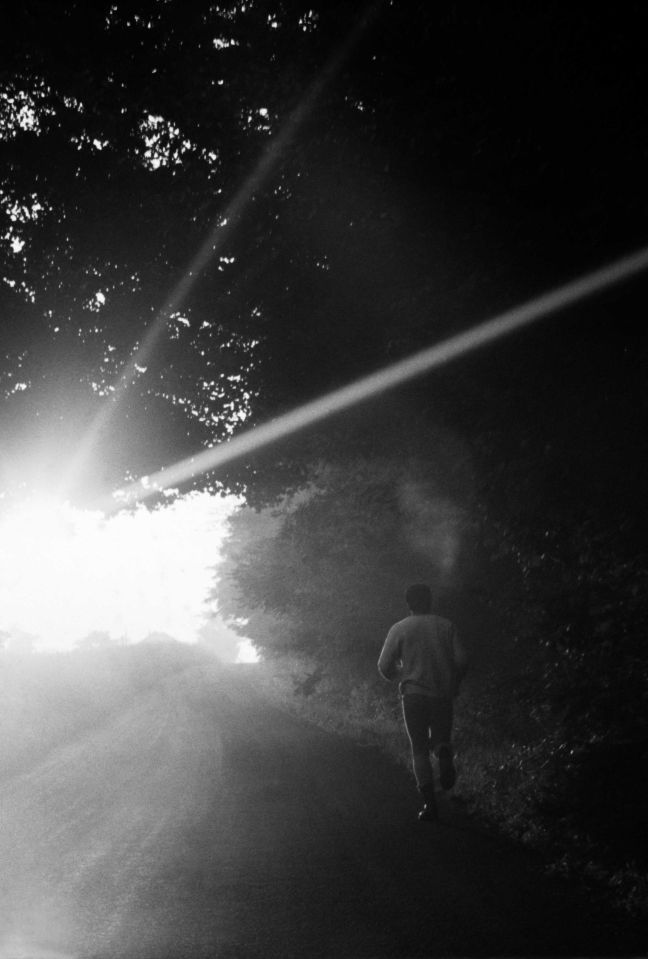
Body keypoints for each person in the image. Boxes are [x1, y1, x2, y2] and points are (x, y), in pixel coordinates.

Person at [378, 583, 468, 822]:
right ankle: (444, 754)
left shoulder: (399, 628)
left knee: (418, 748)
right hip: (442, 694)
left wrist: (400, 675)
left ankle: (430, 805)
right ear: (430, 601)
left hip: (413, 695)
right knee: (441, 738)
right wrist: (455, 682)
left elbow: (384, 665)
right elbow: (462, 660)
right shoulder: (446, 626)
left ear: (408, 604)